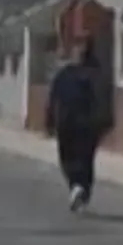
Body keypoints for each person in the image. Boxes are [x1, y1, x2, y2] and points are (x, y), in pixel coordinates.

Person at [45, 37, 108, 212]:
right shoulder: (97, 75)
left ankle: (76, 185)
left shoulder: (64, 74)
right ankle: (83, 189)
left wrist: (49, 122)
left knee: (67, 158)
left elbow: (52, 100)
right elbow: (104, 100)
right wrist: (104, 123)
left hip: (67, 124)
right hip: (89, 125)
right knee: (86, 159)